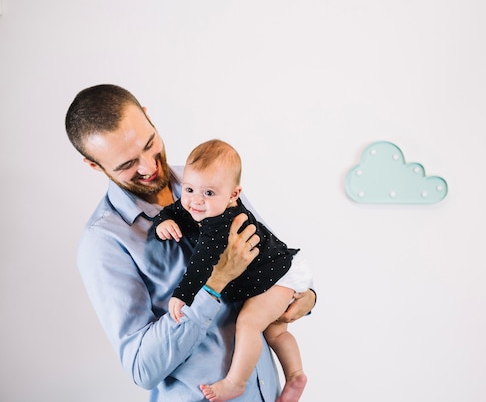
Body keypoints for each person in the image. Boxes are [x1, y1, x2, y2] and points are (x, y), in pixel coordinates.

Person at [65, 84, 317, 402]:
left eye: (149, 144)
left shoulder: (210, 179)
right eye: (126, 164)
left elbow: (269, 255)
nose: (147, 166)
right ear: (94, 166)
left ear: (148, 117)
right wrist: (212, 288)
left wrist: (306, 298)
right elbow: (142, 369)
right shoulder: (102, 242)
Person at [154, 139, 311, 402]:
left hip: (281, 276)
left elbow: (202, 264)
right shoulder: (195, 204)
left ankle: (235, 383)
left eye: (209, 193)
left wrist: (182, 294)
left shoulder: (223, 223)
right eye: (189, 189)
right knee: (275, 331)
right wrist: (164, 220)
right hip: (279, 270)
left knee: (248, 323)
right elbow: (176, 209)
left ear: (233, 195)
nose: (195, 201)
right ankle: (296, 375)